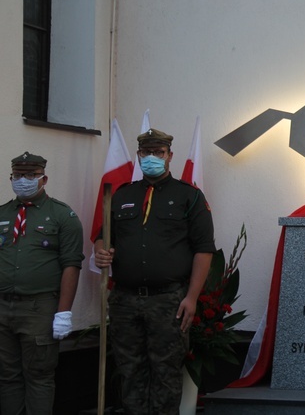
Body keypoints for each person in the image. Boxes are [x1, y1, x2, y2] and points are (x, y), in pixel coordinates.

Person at [95, 128, 215, 415]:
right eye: (146, 153)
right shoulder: (123, 194)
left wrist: (192, 297)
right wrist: (101, 250)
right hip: (125, 300)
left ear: (169, 156)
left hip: (168, 300)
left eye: (158, 153)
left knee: (166, 372)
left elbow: (204, 249)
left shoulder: (189, 196)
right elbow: (103, 236)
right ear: (138, 155)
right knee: (130, 370)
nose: (151, 158)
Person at [0, 151, 84, 414]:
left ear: (43, 179)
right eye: (18, 175)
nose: (23, 180)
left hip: (40, 309)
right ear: (11, 177)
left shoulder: (62, 216)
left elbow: (71, 264)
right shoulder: (2, 213)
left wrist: (64, 312)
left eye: (31, 175)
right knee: (7, 376)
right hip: (3, 308)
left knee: (38, 376)